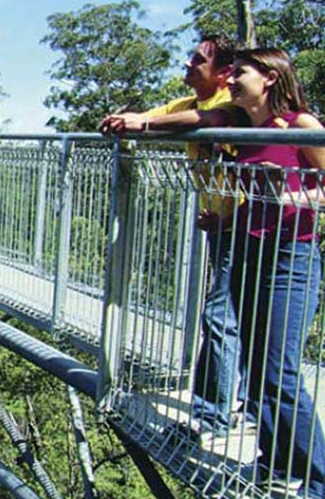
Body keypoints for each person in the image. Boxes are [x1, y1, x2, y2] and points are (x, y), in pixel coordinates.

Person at [105, 48, 325, 499]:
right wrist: (140, 123)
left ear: (268, 79)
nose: (234, 80)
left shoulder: (300, 124)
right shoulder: (236, 120)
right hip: (247, 245)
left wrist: (286, 192)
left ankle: (316, 479)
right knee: (255, 360)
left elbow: (321, 186)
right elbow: (189, 117)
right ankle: (275, 463)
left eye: (241, 72)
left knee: (279, 373)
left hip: (291, 257)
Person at [100, 36, 242, 436]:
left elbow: (208, 124)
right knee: (240, 315)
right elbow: (157, 115)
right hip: (223, 225)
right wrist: (124, 121)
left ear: (224, 73)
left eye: (198, 59)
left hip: (252, 226)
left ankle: (212, 416)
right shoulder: (190, 105)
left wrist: (142, 123)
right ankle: (244, 404)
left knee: (221, 316)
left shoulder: (230, 106)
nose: (188, 63)